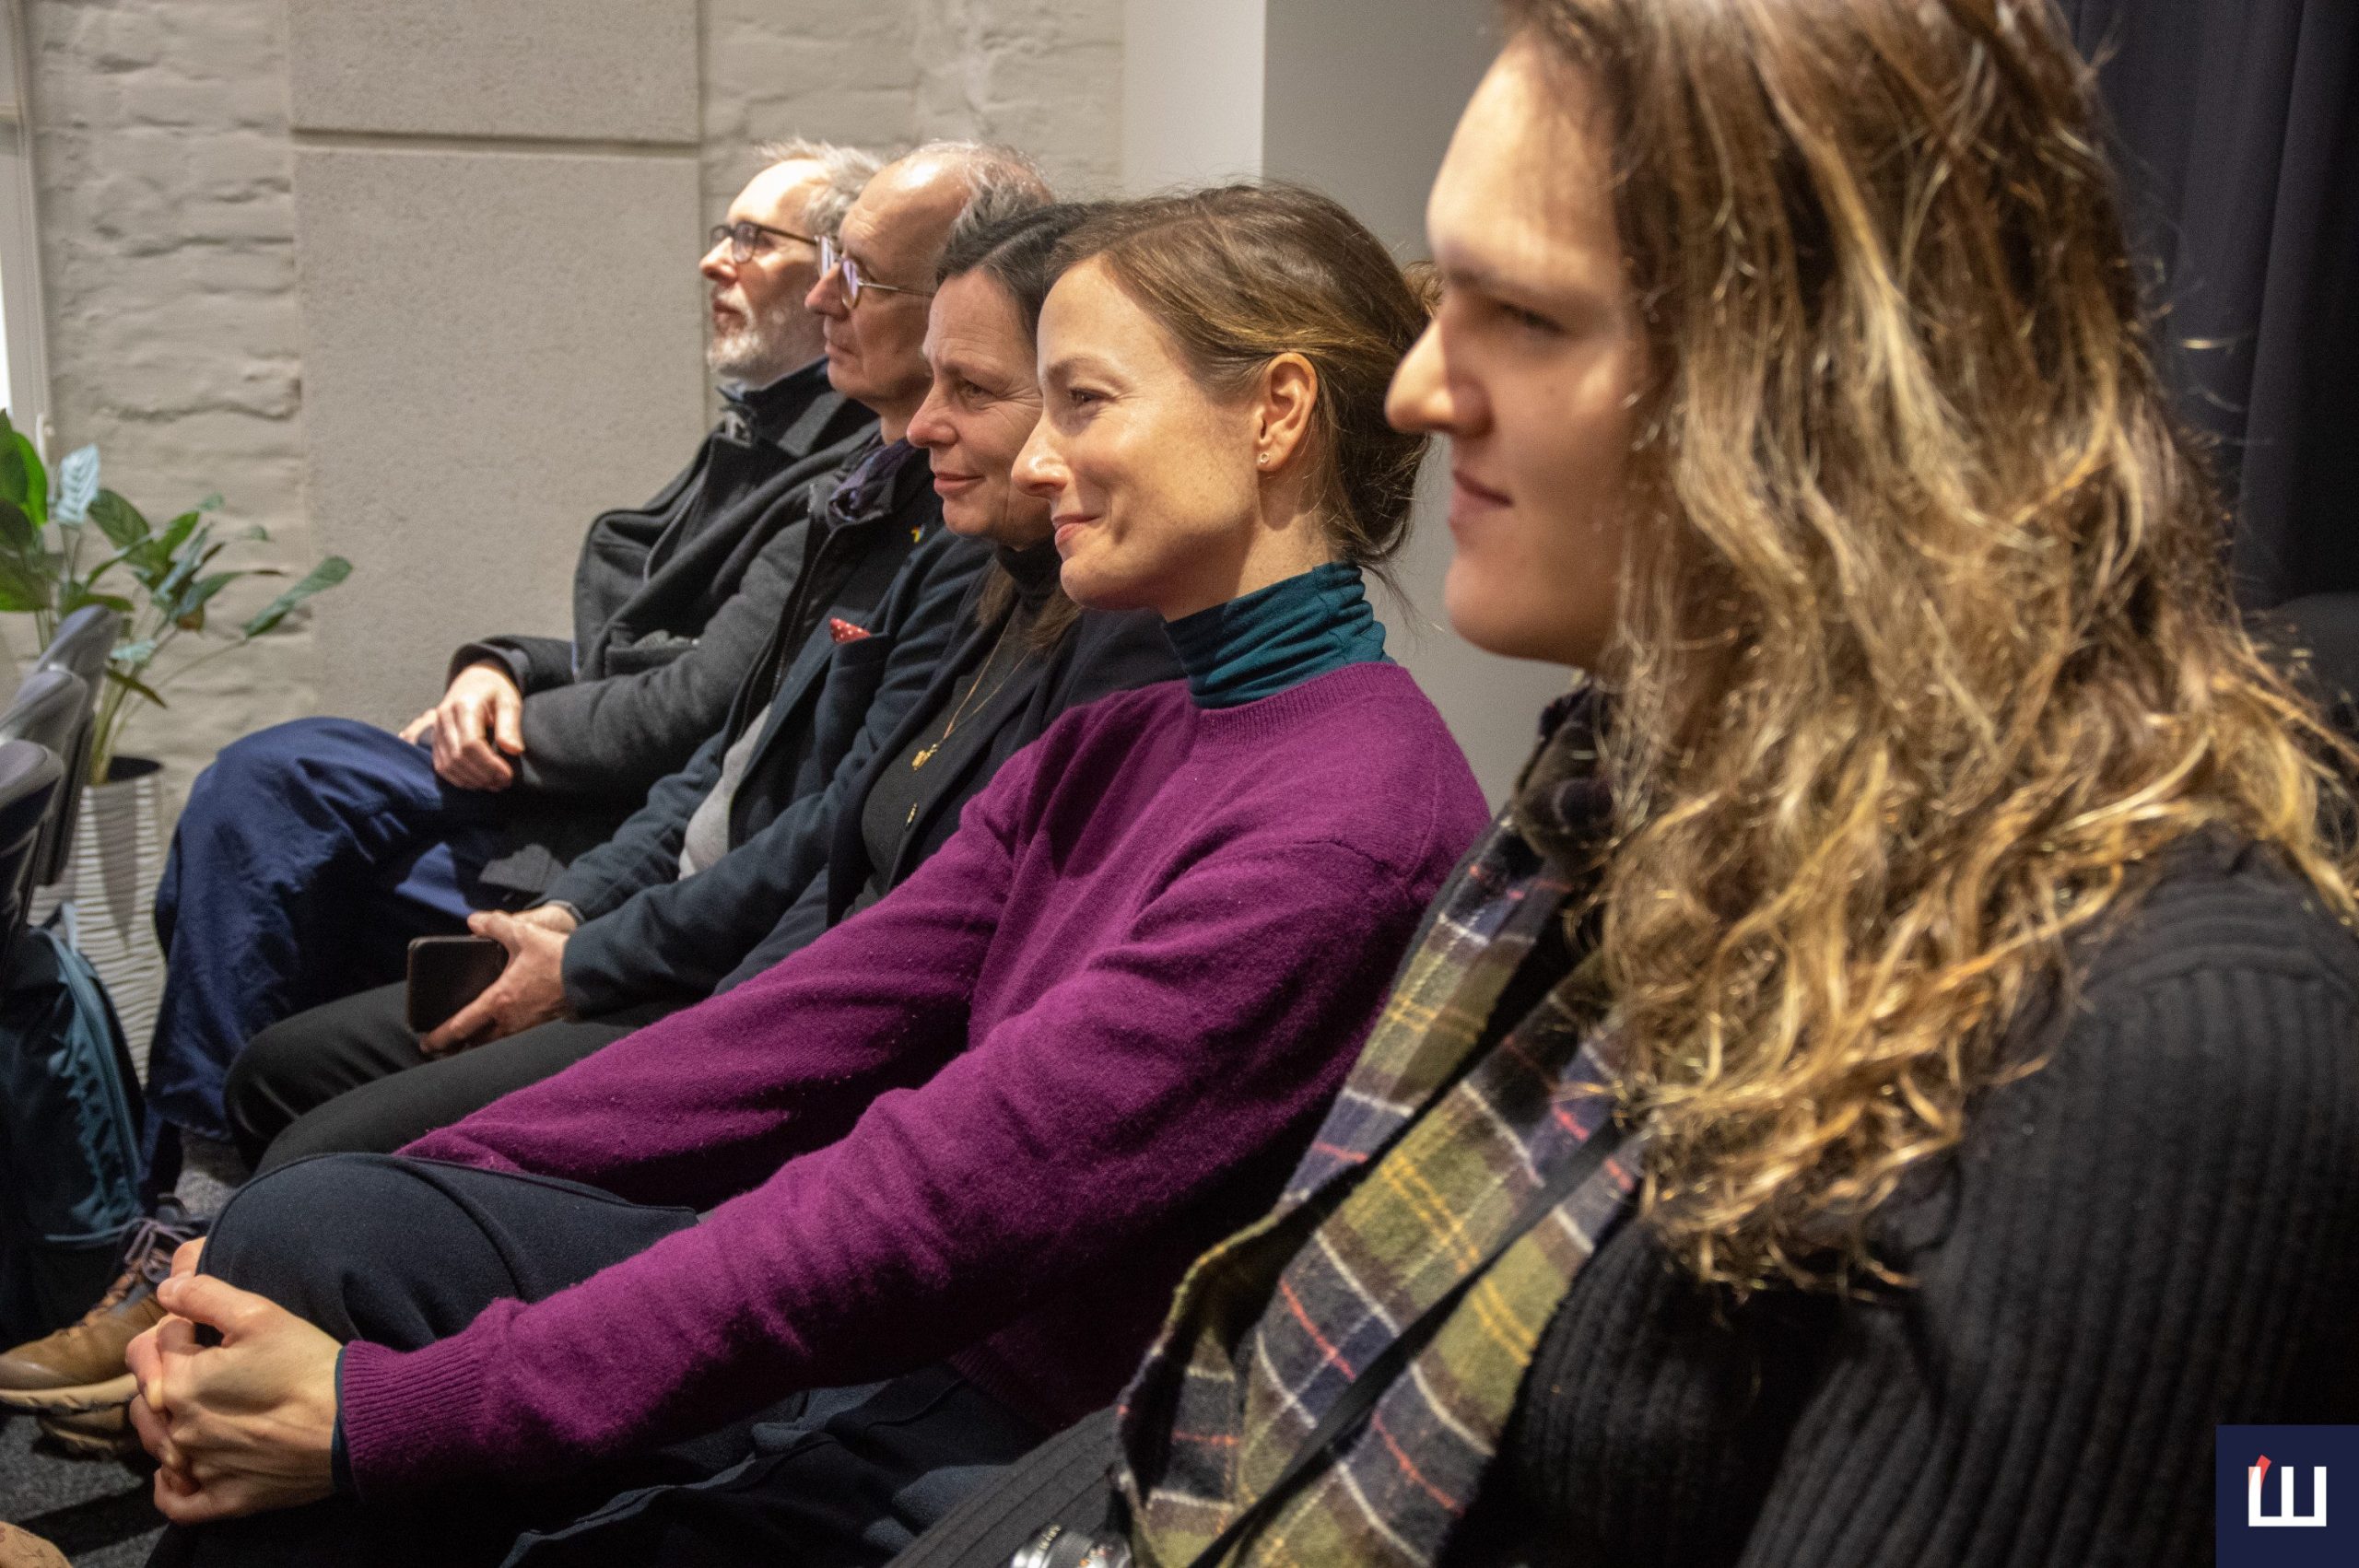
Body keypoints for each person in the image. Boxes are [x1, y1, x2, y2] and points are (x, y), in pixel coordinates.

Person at [891, 5, 2359, 1567]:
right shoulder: (1627, 803)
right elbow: (1268, 1388)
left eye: (1523, 315)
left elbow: (2271, 1510)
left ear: (1832, 375)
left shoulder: (2146, 1038)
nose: (1418, 391)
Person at [125, 182, 1489, 1568]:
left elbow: (934, 1202)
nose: (1033, 461)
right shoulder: (1124, 738)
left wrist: (396, 1413)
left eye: (1080, 403)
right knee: (317, 1226)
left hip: (1031, 1453)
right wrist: (431, 1173)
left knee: (356, 1373)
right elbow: (786, 1032)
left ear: (1275, 413)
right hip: (919, 1352)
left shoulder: (1343, 827)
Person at [0, 140, 1034, 1442]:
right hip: (648, 882)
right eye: (814, 259)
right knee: (278, 990)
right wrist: (507, 676)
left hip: (682, 932)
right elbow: (721, 735)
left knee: (288, 812)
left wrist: (587, 935)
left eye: (825, 262)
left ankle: (200, 1312)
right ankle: (187, 1269)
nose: (739, 269)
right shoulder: (839, 470)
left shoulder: (923, 514)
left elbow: (722, 747)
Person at [222, 199, 1180, 1169]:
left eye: (847, 271)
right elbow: (750, 758)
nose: (821, 297)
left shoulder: (1076, 615)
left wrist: (630, 986)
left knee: (314, 1114)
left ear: (1254, 417)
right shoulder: (928, 532)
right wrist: (571, 880)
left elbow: (738, 762)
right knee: (287, 1001)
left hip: (745, 1000)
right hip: (707, 955)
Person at [138, 141, 883, 1160]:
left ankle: (195, 1166)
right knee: (264, 811)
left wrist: (510, 728)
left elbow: (695, 707)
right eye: (725, 232)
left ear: (842, 278)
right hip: (589, 791)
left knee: (279, 787)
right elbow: (640, 647)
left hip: (611, 817)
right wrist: (505, 665)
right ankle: (192, 1170)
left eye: (754, 239)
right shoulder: (764, 431)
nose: (715, 260)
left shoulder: (845, 471)